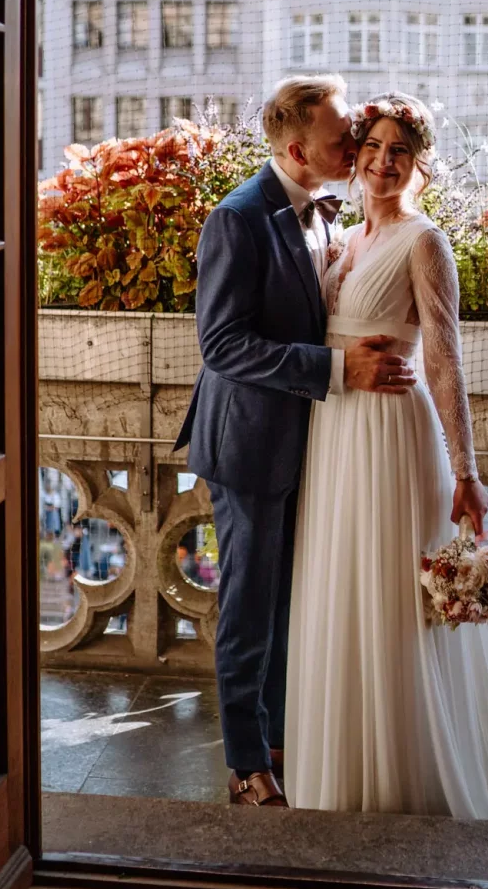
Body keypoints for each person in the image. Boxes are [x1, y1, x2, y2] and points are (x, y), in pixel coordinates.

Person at [285, 93, 488, 822]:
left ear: (419, 164)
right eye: (373, 147)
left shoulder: (424, 241)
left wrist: (467, 472)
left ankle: (404, 773)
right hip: (337, 433)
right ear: (357, 155)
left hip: (393, 437)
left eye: (399, 151)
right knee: (345, 587)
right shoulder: (345, 238)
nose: (383, 162)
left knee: (395, 598)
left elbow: (444, 360)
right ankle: (344, 769)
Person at [175, 74, 416, 809]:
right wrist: (339, 367)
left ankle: (278, 738)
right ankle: (247, 765)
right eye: (342, 136)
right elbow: (222, 346)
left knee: (287, 601)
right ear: (294, 147)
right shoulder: (238, 218)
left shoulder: (322, 212)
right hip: (247, 445)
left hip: (309, 437)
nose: (354, 143)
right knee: (249, 608)